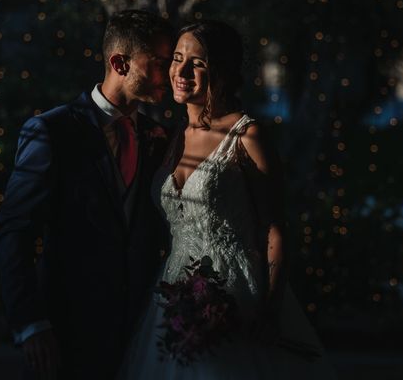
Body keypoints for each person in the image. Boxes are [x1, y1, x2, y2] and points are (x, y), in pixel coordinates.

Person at [118, 20, 337, 379]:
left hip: (237, 296)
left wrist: (270, 308)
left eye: (198, 63)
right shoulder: (172, 138)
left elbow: (274, 228)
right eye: (177, 58)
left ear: (220, 71)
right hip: (173, 297)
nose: (182, 71)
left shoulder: (247, 135)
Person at [0, 10, 176, 379]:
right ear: (119, 63)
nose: (169, 74)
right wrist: (31, 323)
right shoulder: (52, 131)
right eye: (158, 62)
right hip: (68, 331)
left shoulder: (161, 139)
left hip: (143, 333)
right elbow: (14, 233)